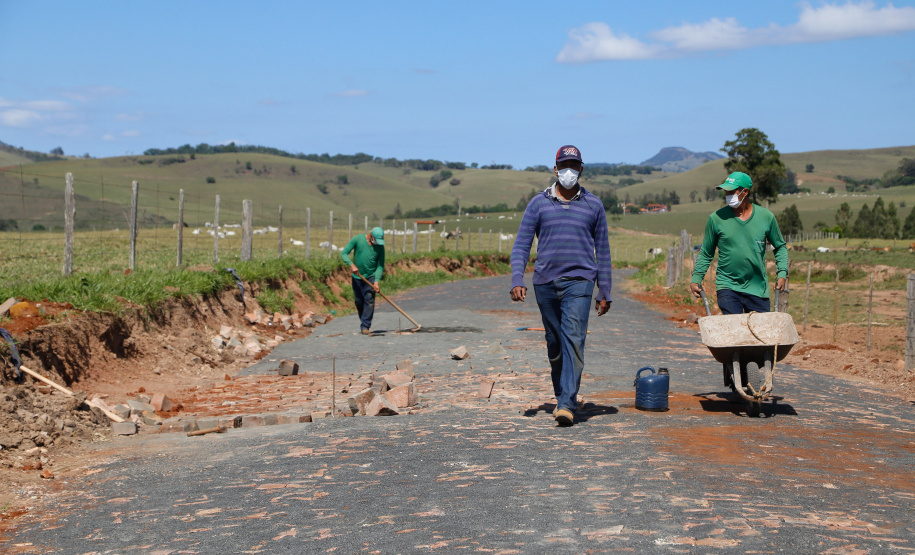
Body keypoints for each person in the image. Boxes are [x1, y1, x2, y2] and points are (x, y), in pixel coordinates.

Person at [510, 145, 612, 427]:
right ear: (555, 169)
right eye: (564, 165)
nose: (569, 170)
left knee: (574, 339)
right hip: (545, 282)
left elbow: (603, 251)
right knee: (554, 342)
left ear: (581, 169)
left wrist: (604, 289)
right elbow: (521, 245)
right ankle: (562, 395)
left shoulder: (593, 205)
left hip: (580, 282)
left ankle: (567, 403)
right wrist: (517, 278)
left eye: (574, 165)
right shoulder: (538, 204)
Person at [689, 171, 788, 315]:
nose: (727, 195)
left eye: (731, 192)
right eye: (726, 192)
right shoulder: (716, 219)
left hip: (757, 287)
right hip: (727, 286)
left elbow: (780, 247)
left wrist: (782, 273)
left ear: (745, 192)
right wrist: (696, 278)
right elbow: (706, 252)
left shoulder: (766, 217)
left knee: (758, 328)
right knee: (733, 326)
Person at [341, 227, 386, 335]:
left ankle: (365, 326)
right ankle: (364, 320)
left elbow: (380, 266)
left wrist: (376, 281)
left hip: (371, 276)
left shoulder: (380, 247)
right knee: (359, 301)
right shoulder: (358, 239)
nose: (377, 243)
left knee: (369, 299)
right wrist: (352, 265)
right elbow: (344, 253)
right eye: (376, 240)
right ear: (371, 236)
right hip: (357, 276)